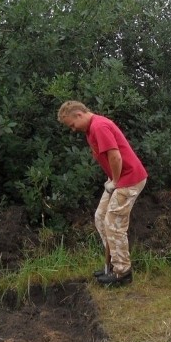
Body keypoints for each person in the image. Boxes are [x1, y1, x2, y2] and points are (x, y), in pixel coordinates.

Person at [57, 100, 148, 287]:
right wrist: (111, 179)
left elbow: (115, 156)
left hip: (129, 178)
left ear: (79, 115)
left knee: (114, 223)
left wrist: (114, 181)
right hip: (117, 179)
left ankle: (123, 272)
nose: (73, 129)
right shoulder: (90, 129)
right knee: (101, 218)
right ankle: (113, 264)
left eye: (72, 125)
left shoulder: (99, 126)